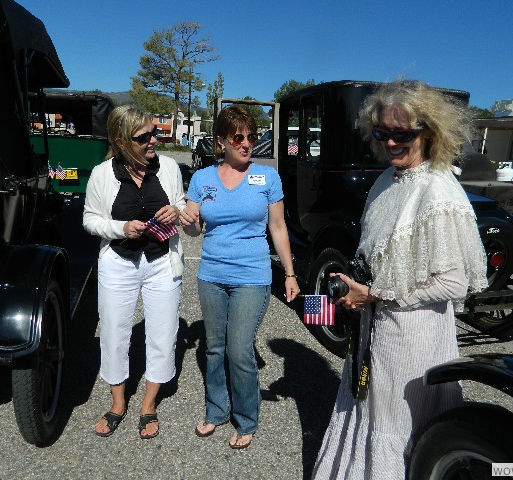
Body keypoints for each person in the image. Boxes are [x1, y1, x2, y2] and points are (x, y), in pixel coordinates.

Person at [312, 80, 488, 479]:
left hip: (414, 338)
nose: (391, 143)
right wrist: (360, 291)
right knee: (367, 411)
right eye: (382, 133)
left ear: (430, 131)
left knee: (397, 427)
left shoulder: (438, 190)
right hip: (375, 328)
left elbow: (452, 284)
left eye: (402, 134)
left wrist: (373, 294)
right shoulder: (385, 181)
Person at [179, 105, 300, 449]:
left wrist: (290, 273)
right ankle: (216, 410)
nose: (247, 143)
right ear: (221, 141)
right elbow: (194, 230)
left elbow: (278, 226)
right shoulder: (202, 179)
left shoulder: (267, 177)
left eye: (253, 136)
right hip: (212, 274)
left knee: (239, 348)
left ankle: (246, 418)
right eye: (239, 137)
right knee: (214, 348)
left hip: (252, 275)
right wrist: (189, 224)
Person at [83, 105, 193, 439]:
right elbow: (90, 219)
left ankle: (148, 405)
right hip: (119, 262)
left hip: (162, 260)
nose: (153, 140)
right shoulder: (103, 174)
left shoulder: (170, 167)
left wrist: (178, 210)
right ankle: (118, 403)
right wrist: (120, 228)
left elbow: (184, 205)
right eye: (143, 136)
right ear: (121, 140)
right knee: (115, 332)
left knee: (163, 332)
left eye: (154, 132)